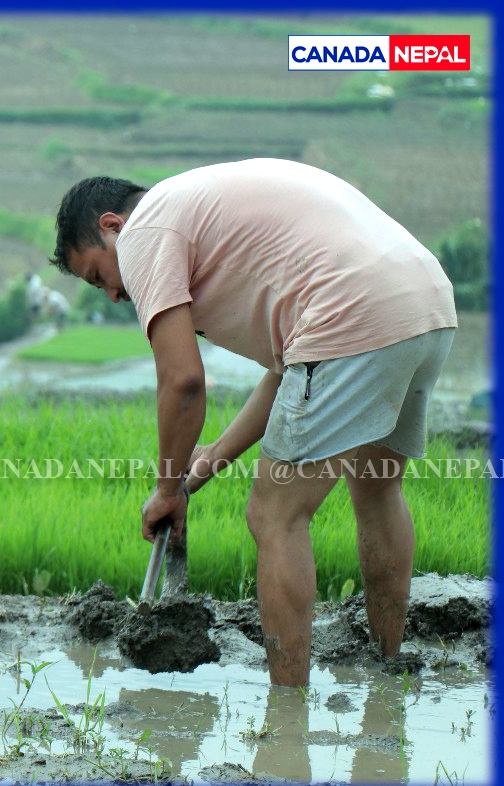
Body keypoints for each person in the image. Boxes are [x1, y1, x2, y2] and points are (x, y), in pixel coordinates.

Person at [49, 159, 457, 687]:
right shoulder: (203, 207)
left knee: (275, 516)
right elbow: (295, 369)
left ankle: (286, 709)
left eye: (99, 275)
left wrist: (166, 488)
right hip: (423, 302)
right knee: (377, 489)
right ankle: (388, 666)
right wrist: (212, 456)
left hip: (352, 310)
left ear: (112, 226)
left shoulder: (146, 229)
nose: (112, 294)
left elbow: (183, 382)